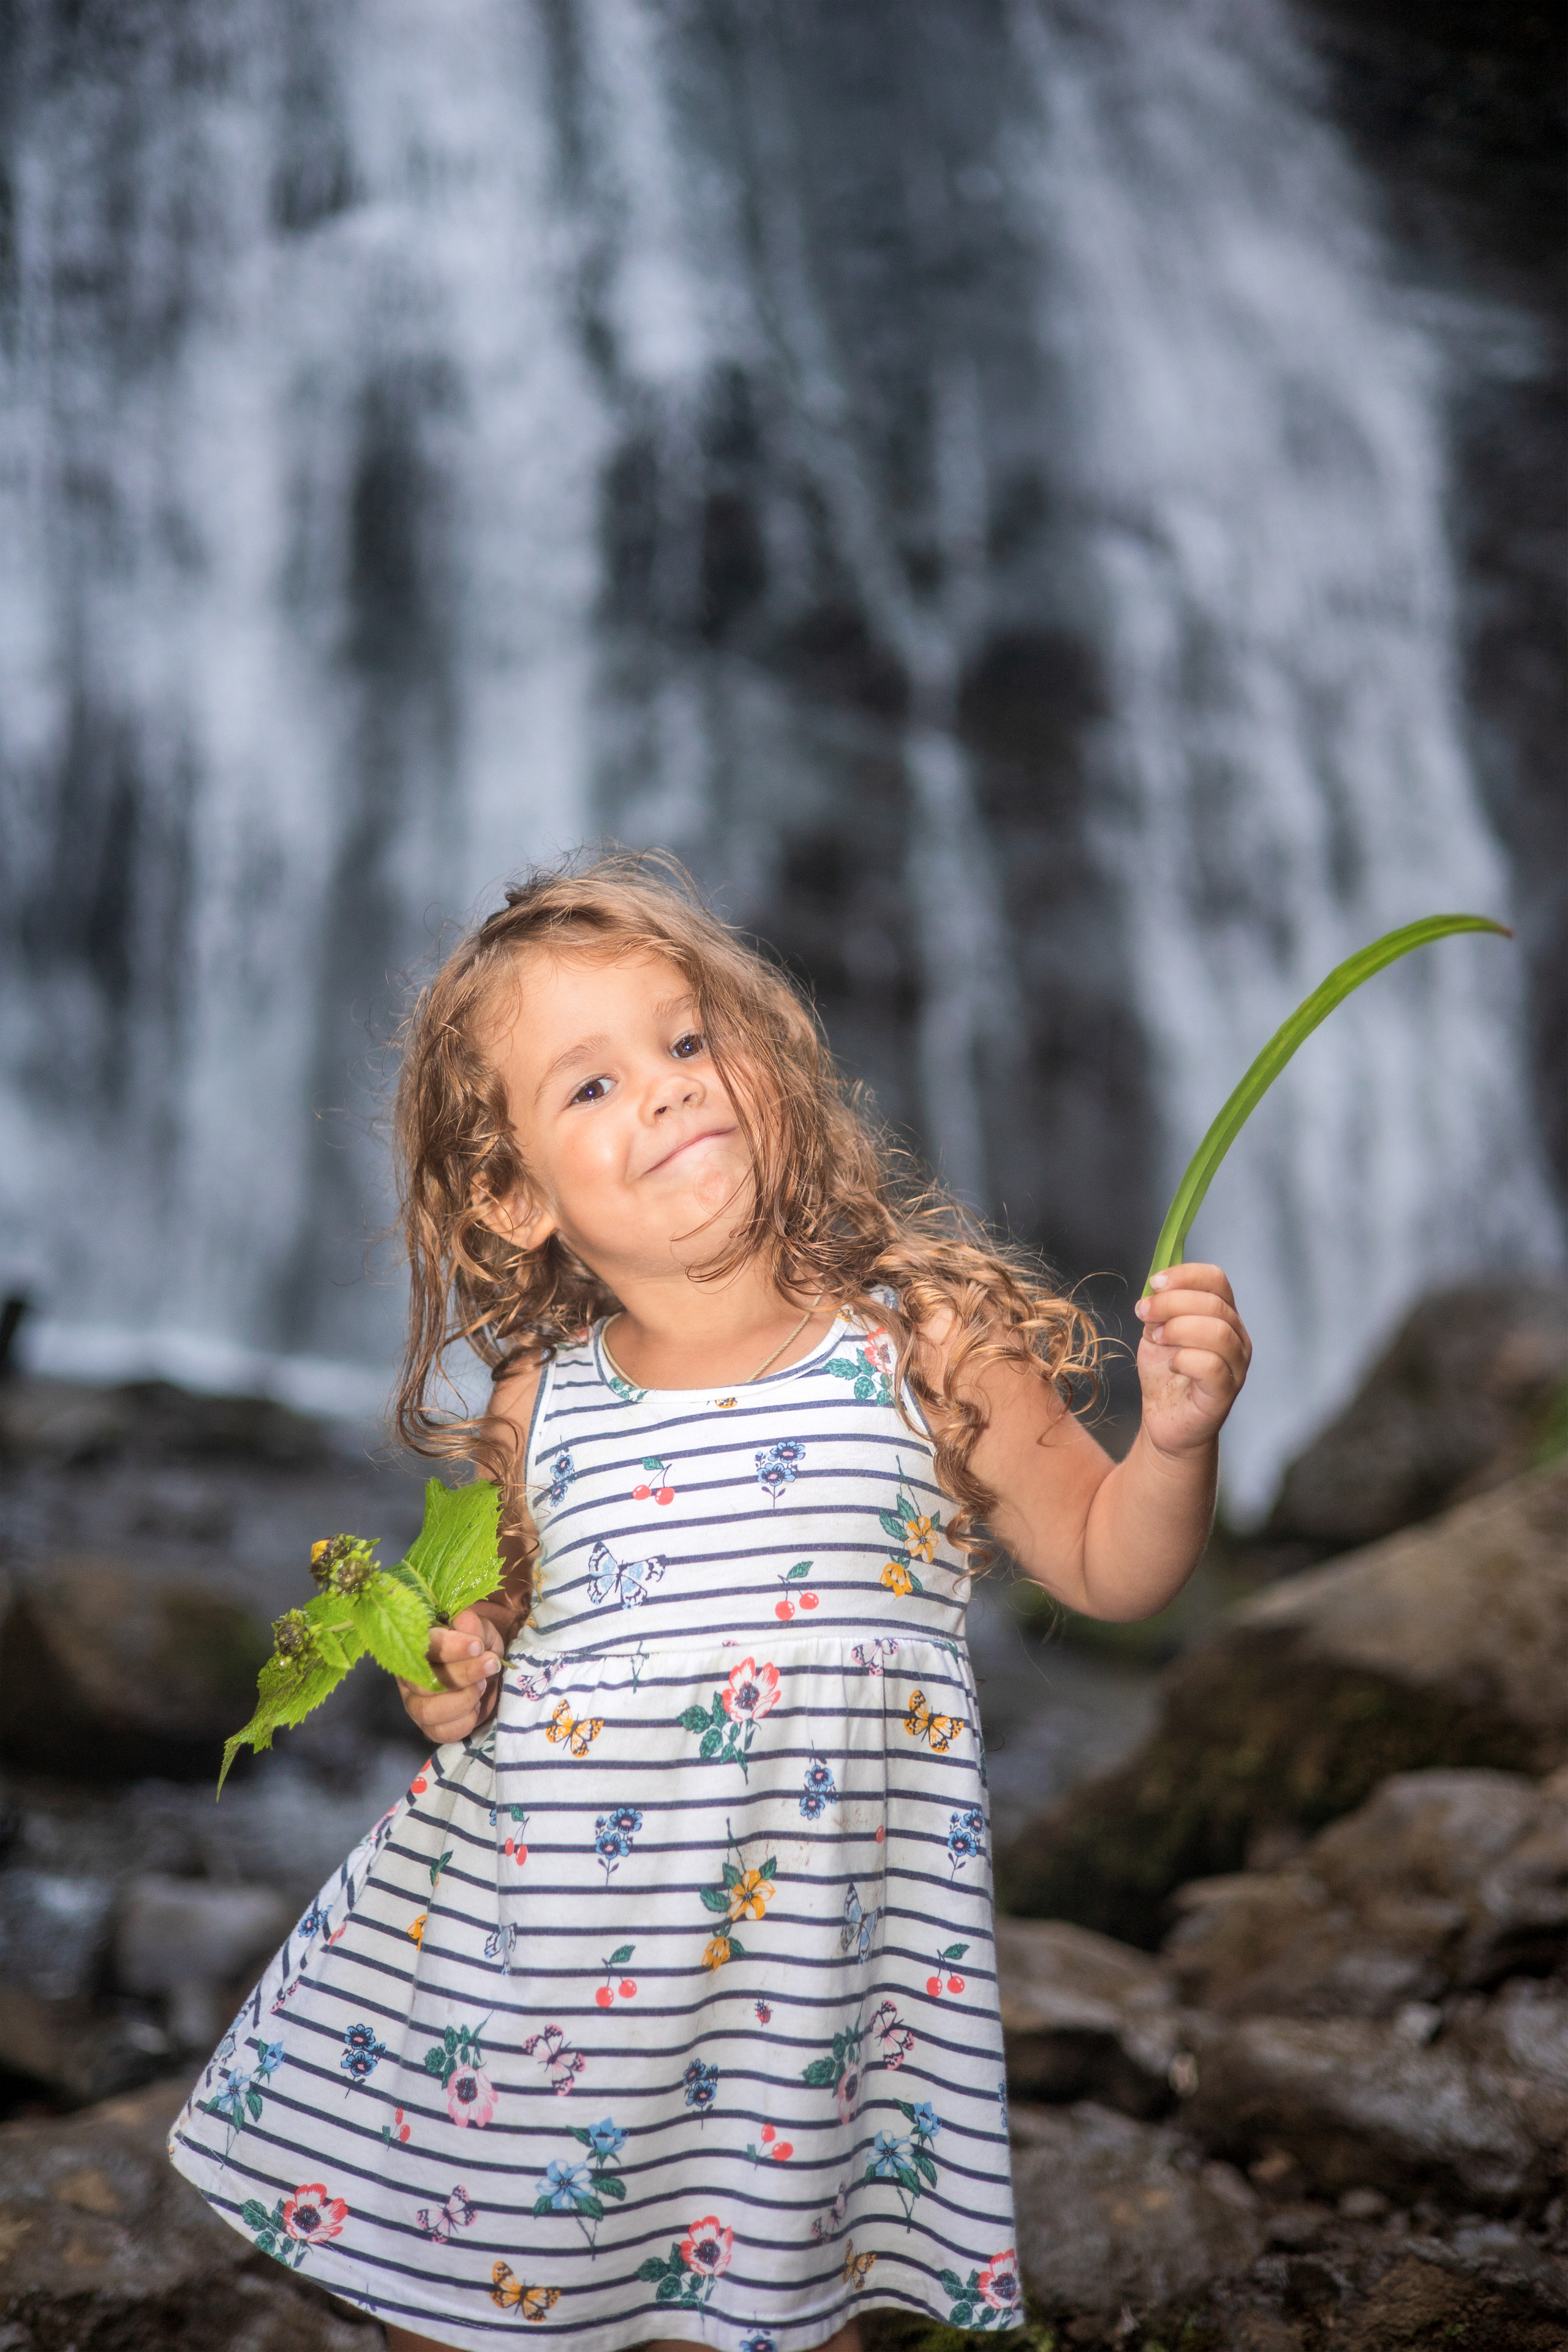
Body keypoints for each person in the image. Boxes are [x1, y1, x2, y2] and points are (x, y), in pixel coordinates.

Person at [168, 854, 1251, 2350]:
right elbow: (494, 1656)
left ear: (762, 1056)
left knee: (765, 2306)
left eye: (685, 1043)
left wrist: (1176, 1441)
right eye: (592, 1087)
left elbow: (1110, 1564)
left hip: (795, 1989)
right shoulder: (538, 1405)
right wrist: (451, 1674)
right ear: (510, 1197)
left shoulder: (920, 1341)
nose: (667, 1092)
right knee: (494, 2291)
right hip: (542, 1979)